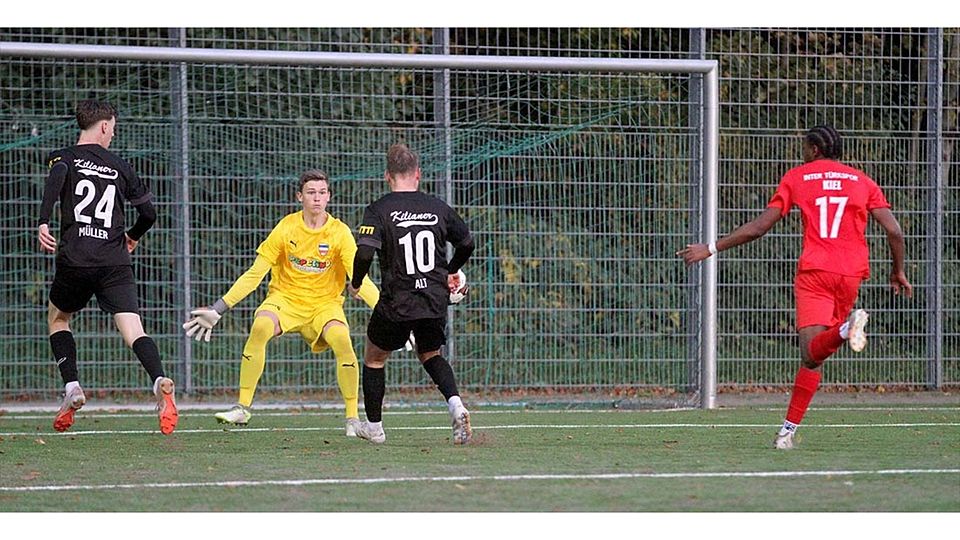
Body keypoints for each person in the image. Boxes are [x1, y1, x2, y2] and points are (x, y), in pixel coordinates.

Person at [677, 125, 912, 450]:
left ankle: (845, 330)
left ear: (814, 149)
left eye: (804, 147)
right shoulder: (863, 181)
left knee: (809, 351)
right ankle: (787, 432)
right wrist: (898, 271)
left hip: (815, 271)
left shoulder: (798, 177)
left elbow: (759, 227)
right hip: (850, 274)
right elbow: (895, 231)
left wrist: (712, 248)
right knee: (814, 358)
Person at [183, 170, 380, 436]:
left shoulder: (339, 232)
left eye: (322, 193)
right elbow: (255, 274)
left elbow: (361, 279)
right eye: (311, 193)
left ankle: (352, 419)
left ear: (329, 197)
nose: (317, 198)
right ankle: (242, 407)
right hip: (285, 300)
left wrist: (388, 314)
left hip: (324, 305)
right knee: (261, 326)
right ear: (300, 196)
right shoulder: (286, 227)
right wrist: (218, 308)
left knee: (343, 339)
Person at [38, 99, 178, 435]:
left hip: (76, 259)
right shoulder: (120, 166)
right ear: (103, 126)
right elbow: (149, 215)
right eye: (113, 128)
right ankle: (159, 380)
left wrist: (43, 222)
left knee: (58, 318)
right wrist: (131, 236)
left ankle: (72, 386)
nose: (113, 134)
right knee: (133, 330)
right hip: (115, 261)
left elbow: (55, 182)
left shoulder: (65, 157)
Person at [348, 143, 476, 445]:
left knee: (375, 357)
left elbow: (365, 252)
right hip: (433, 298)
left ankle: (375, 427)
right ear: (418, 174)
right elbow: (467, 243)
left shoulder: (378, 209)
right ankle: (456, 404)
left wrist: (356, 282)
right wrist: (449, 271)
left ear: (387, 176)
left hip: (397, 300)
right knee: (430, 353)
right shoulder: (437, 206)